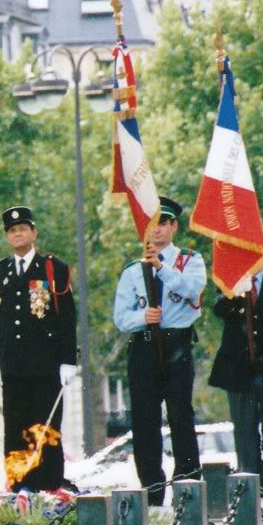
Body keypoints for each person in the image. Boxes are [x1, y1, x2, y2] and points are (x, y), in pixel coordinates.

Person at [113, 197, 206, 506]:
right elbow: (121, 317)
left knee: (180, 414)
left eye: (164, 223)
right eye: (152, 224)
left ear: (174, 226)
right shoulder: (132, 271)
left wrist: (160, 268)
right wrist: (143, 317)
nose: (158, 230)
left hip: (177, 344)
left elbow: (191, 289)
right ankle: (152, 490)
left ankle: (188, 486)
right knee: (144, 419)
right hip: (144, 347)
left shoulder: (190, 260)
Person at [0, 206, 77, 492]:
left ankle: (49, 488)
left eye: (23, 228)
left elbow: (67, 317)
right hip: (12, 367)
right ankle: (19, 489)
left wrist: (68, 360)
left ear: (33, 232)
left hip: (46, 366)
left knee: (46, 429)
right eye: (12, 230)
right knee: (15, 430)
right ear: (7, 237)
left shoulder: (53, 268)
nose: (17, 234)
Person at [209, 269, 263, 493]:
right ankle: (249, 478)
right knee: (244, 426)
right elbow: (220, 309)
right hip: (238, 365)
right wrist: (235, 293)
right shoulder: (229, 277)